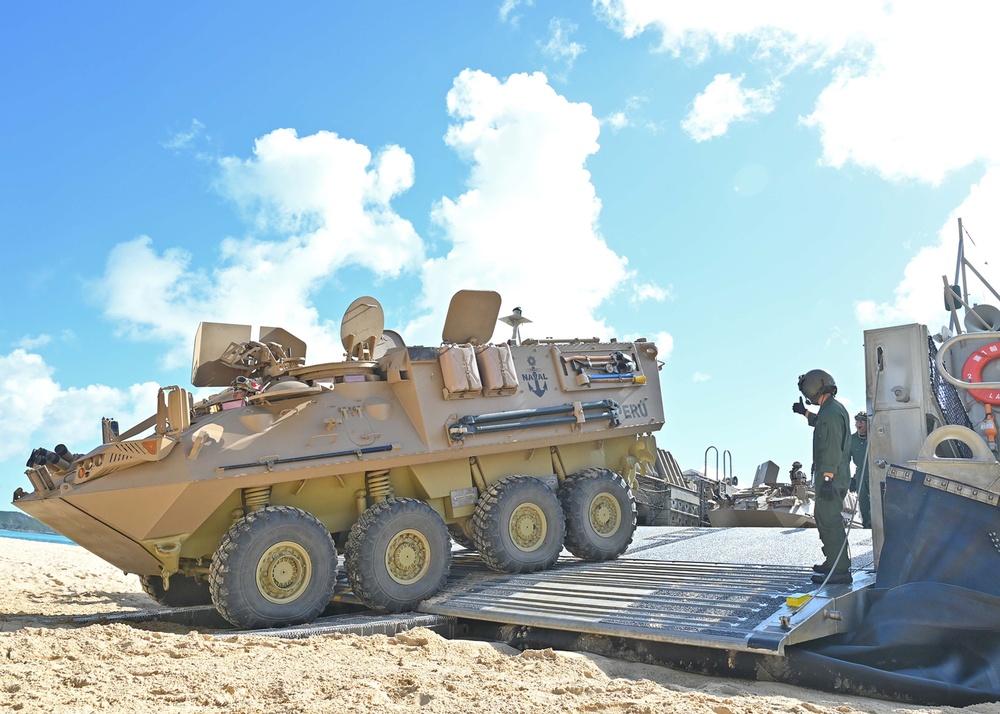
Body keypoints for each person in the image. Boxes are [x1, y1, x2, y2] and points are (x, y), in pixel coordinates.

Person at [792, 369, 853, 584]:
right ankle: (833, 561)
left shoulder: (831, 413)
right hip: (834, 475)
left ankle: (840, 569)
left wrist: (827, 478)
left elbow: (831, 446)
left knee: (830, 520)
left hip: (831, 477)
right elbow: (819, 422)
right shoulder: (832, 410)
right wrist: (805, 413)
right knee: (823, 517)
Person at [849, 411, 872, 529]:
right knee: (863, 501)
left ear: (868, 423)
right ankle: (867, 527)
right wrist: (849, 478)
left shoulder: (874, 437)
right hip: (860, 474)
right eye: (857, 421)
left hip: (874, 471)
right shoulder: (851, 439)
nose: (858, 423)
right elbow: (845, 460)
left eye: (862, 421)